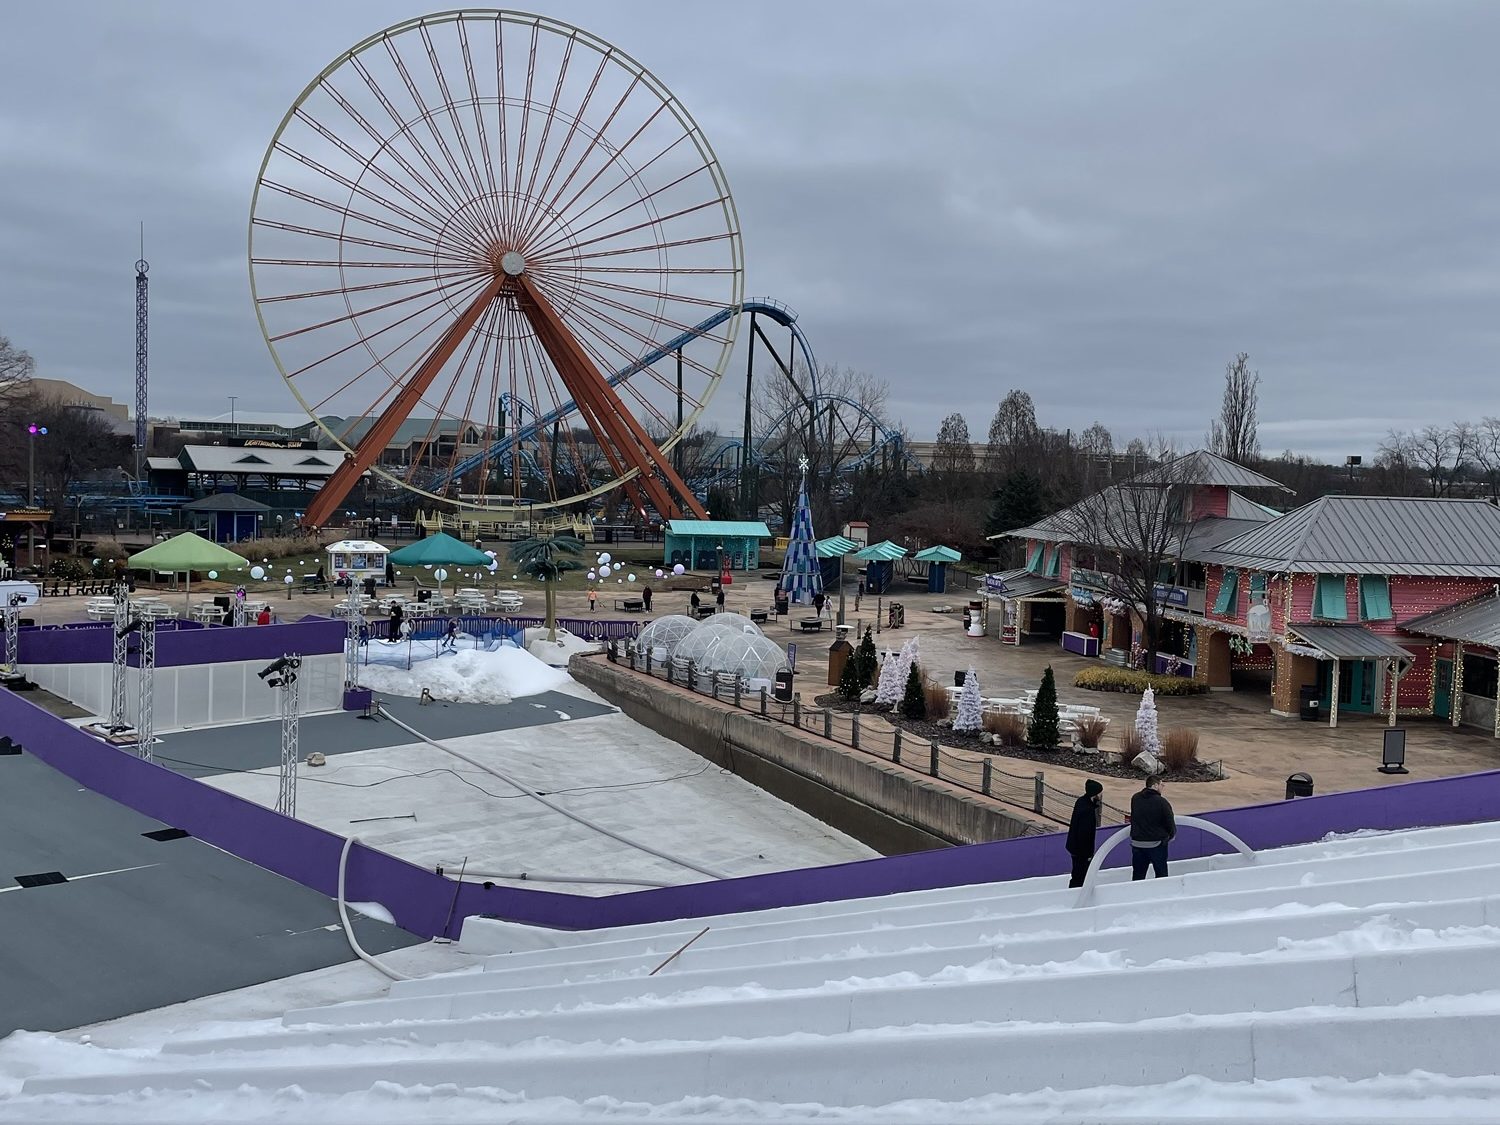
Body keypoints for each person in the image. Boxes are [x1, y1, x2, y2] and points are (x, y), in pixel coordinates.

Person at [1129, 774, 1176, 881]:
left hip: (1137, 843)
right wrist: (1170, 835)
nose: (1162, 787)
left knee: (1138, 876)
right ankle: (1161, 895)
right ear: (1155, 786)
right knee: (1161, 875)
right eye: (1161, 784)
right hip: (1156, 844)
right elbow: (1169, 821)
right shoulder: (1161, 802)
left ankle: (1136, 895)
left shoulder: (1135, 798)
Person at [1066, 780, 1104, 888]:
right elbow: (1085, 835)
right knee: (1080, 876)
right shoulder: (1087, 811)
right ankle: (1076, 895)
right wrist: (1087, 855)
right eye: (1100, 793)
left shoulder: (1081, 802)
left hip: (1074, 847)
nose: (1101, 795)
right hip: (1081, 851)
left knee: (1077, 874)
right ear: (1094, 794)